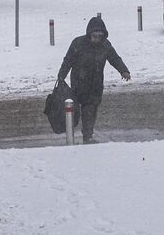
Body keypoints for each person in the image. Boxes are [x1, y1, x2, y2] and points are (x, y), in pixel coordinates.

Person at [56, 15, 131, 143]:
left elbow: (114, 58)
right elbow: (68, 60)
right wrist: (61, 76)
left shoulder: (105, 45)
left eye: (99, 36)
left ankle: (88, 135)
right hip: (79, 83)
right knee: (77, 109)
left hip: (96, 85)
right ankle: (76, 135)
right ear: (89, 34)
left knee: (91, 110)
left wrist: (124, 70)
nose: (97, 39)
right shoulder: (78, 43)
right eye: (94, 36)